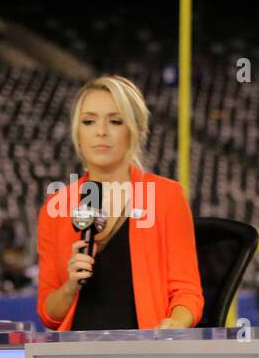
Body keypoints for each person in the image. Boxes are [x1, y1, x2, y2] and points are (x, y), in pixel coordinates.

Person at [36, 75, 203, 331]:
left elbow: (187, 293)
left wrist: (175, 324)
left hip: (145, 356)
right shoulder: (56, 207)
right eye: (89, 121)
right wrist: (70, 286)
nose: (101, 131)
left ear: (134, 131)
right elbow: (49, 315)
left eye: (115, 121)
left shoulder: (166, 197)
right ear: (77, 134)